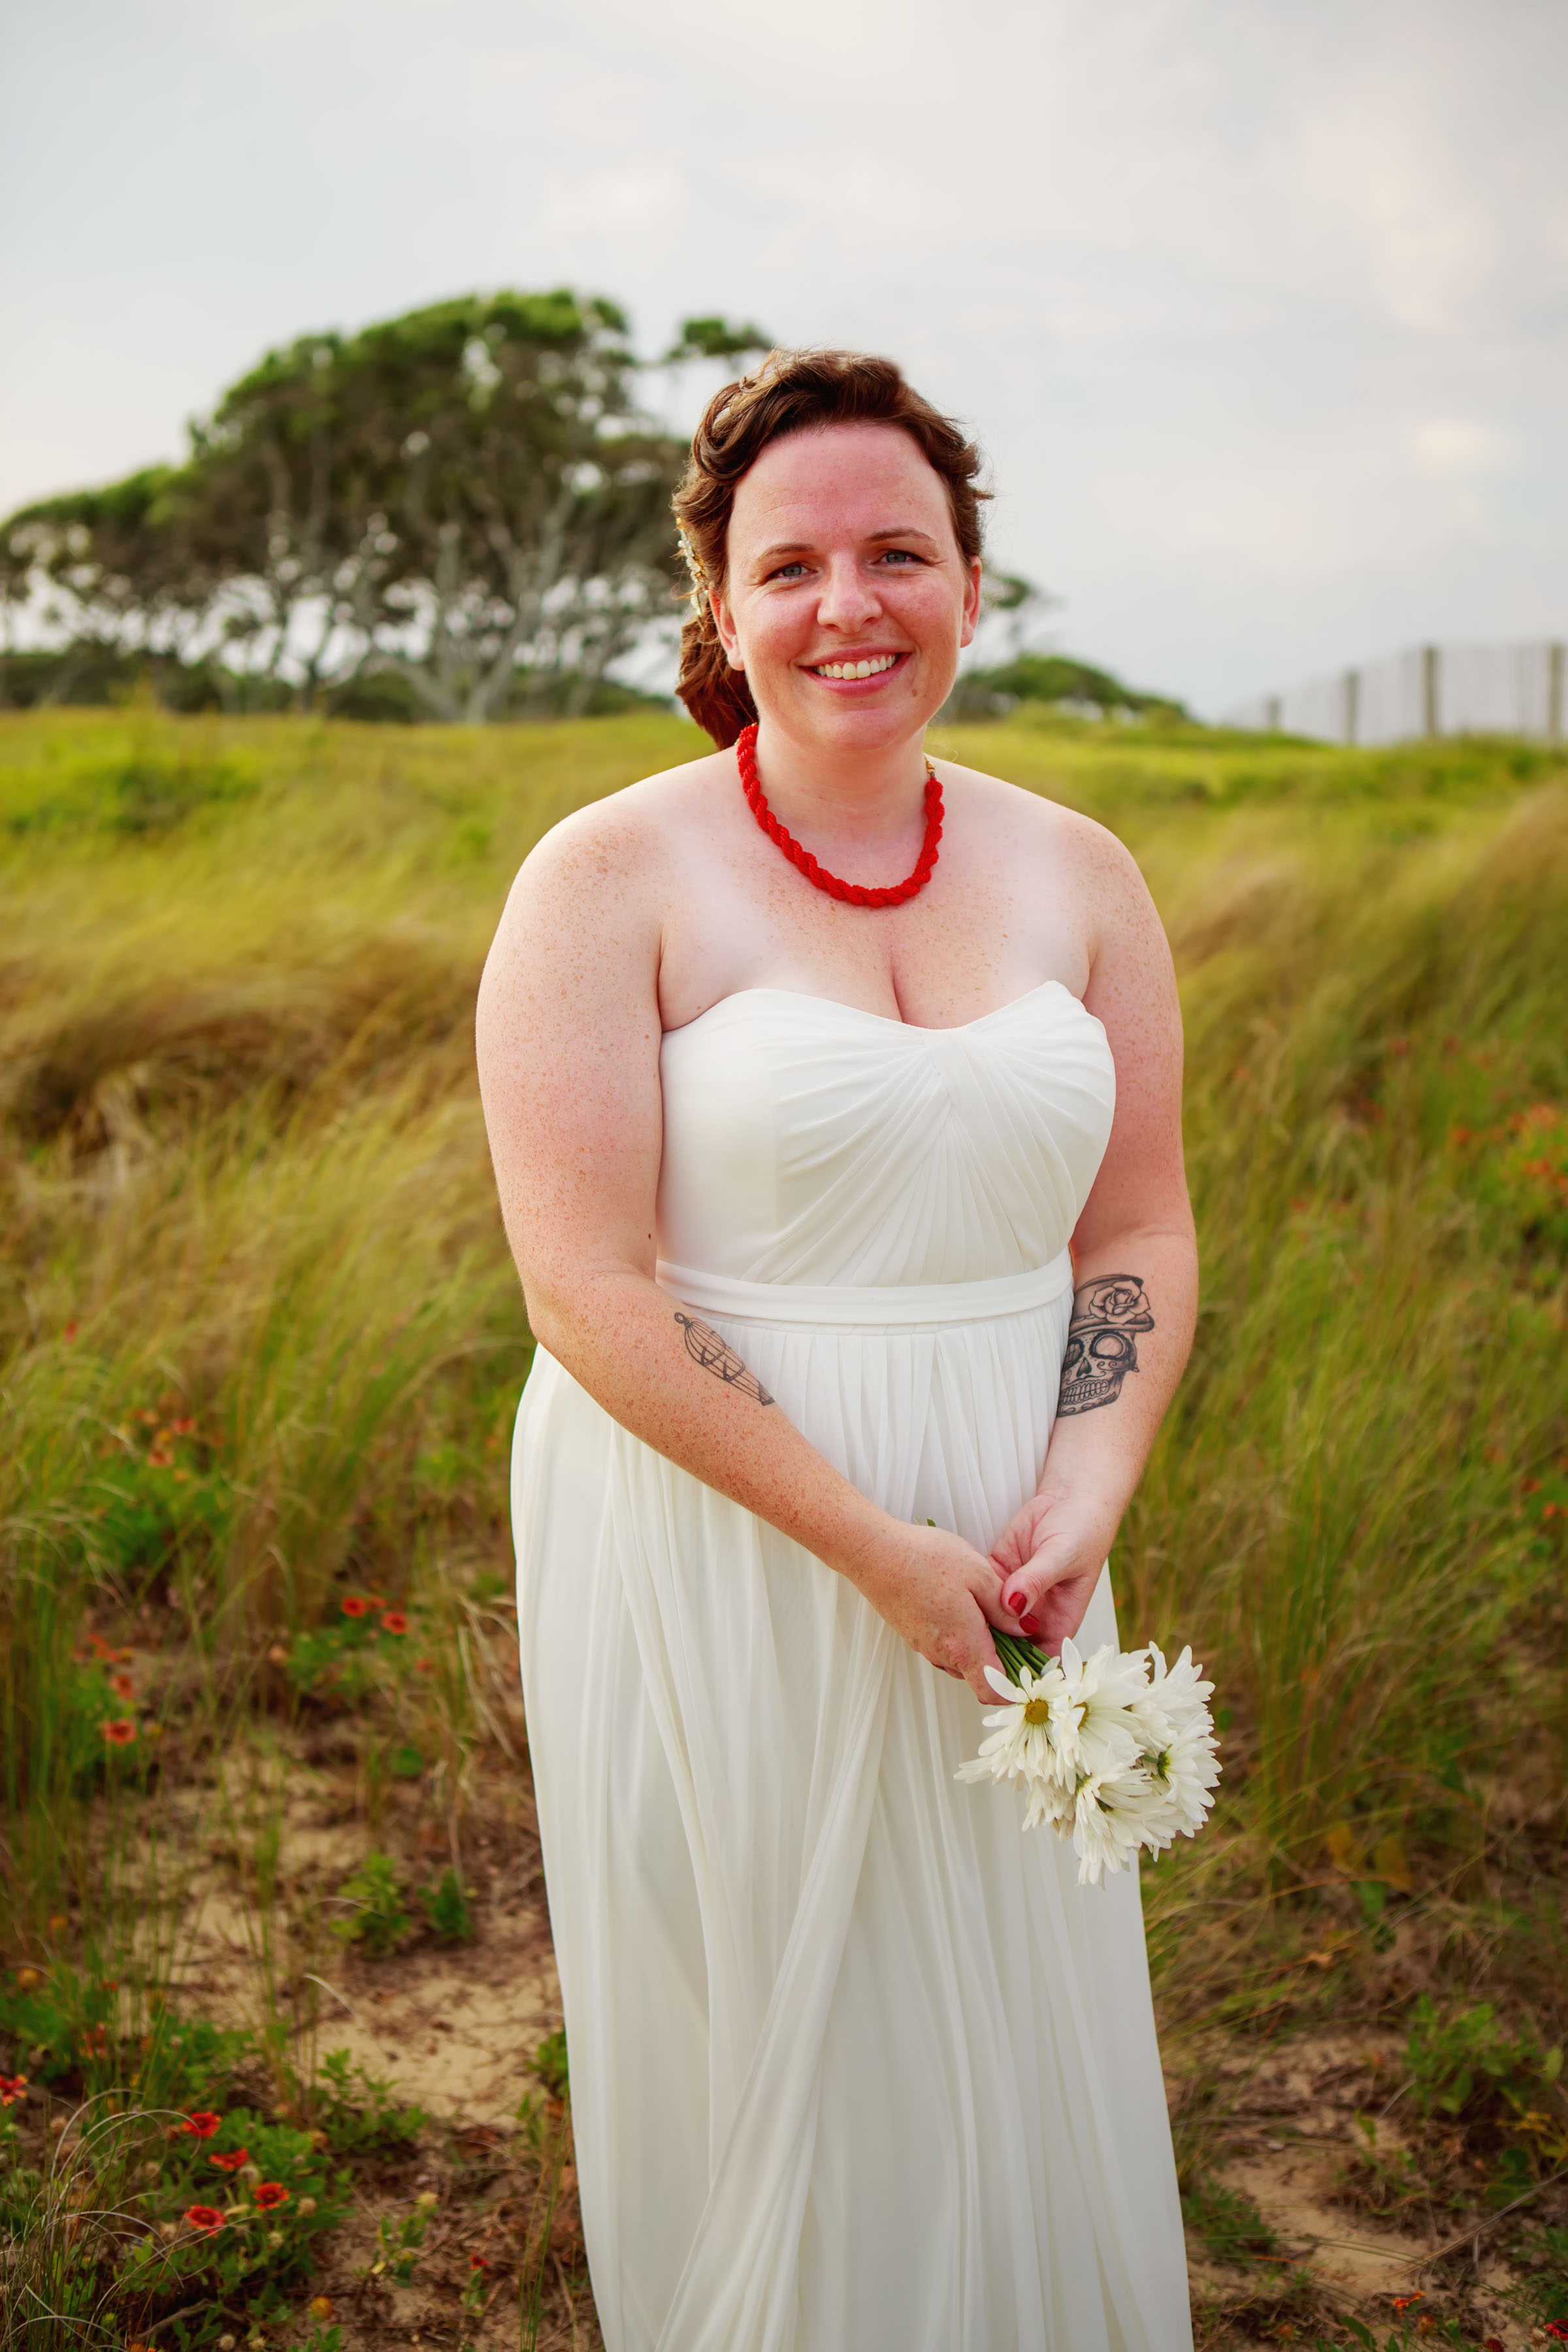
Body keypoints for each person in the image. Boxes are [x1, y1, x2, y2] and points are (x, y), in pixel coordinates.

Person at [477, 348, 1198, 2352]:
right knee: (784, 2025)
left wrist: (1096, 1470)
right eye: (791, 566)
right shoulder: (604, 880)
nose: (850, 605)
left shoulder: (1080, 871)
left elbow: (1134, 1225)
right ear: (720, 606)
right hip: (731, 1526)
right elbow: (588, 1287)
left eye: (901, 551)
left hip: (1016, 1513)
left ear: (974, 580)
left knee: (1005, 2002)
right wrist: (868, 1545)